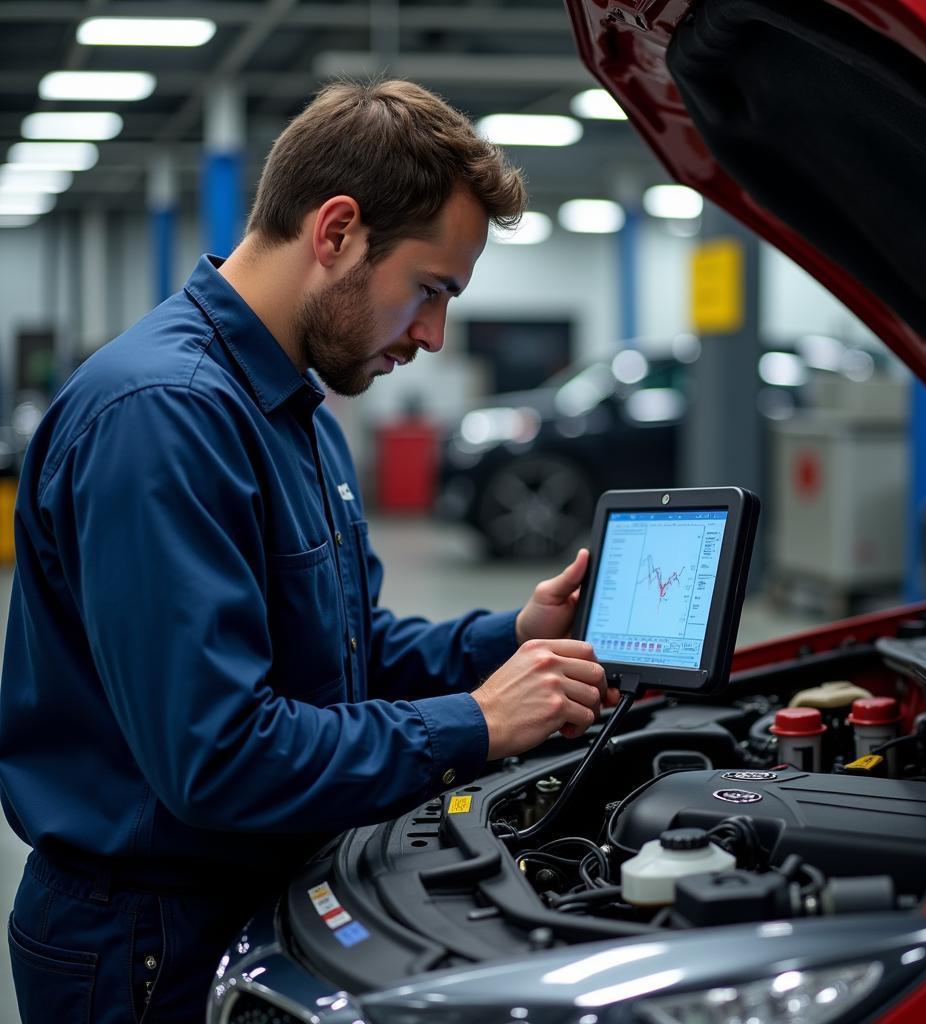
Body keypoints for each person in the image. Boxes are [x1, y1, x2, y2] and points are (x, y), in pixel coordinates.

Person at [0, 79, 617, 1023]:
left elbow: (346, 654)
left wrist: (513, 638)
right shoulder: (165, 418)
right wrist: (477, 724)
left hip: (247, 895)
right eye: (429, 290)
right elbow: (219, 757)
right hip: (144, 943)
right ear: (336, 233)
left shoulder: (296, 411)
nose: (433, 335)